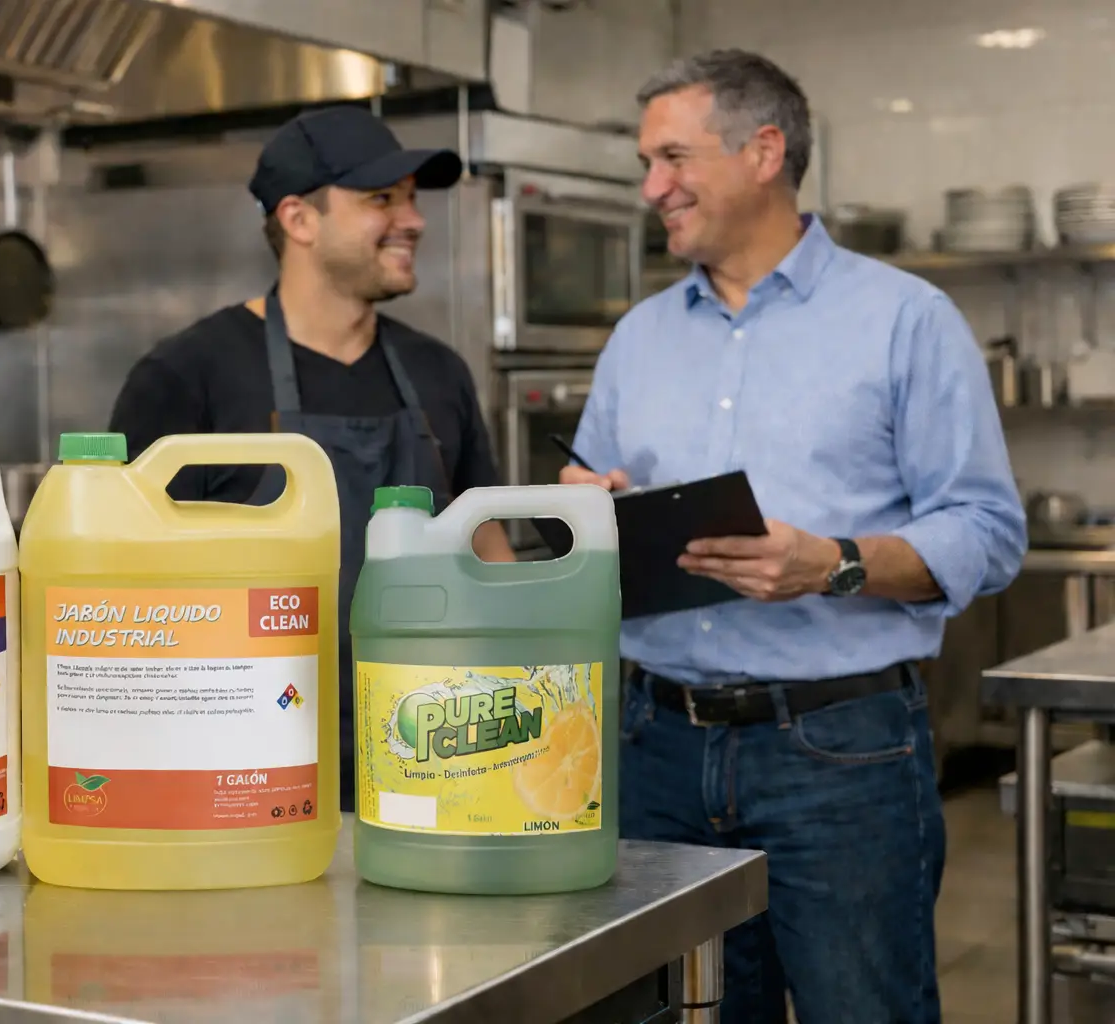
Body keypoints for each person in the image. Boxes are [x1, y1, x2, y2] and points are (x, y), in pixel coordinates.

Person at [563, 50, 1027, 1024]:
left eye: (672, 158)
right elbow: (582, 511)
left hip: (838, 754)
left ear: (763, 150)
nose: (652, 188)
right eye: (647, 163)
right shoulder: (638, 336)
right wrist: (582, 506)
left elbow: (987, 530)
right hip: (654, 748)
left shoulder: (907, 320)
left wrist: (838, 562)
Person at [108, 105, 515, 812]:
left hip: (435, 748)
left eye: (413, 198)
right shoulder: (187, 373)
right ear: (299, 219)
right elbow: (122, 596)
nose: (414, 220)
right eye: (381, 199)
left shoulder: (438, 372)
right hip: (245, 768)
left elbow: (488, 543)